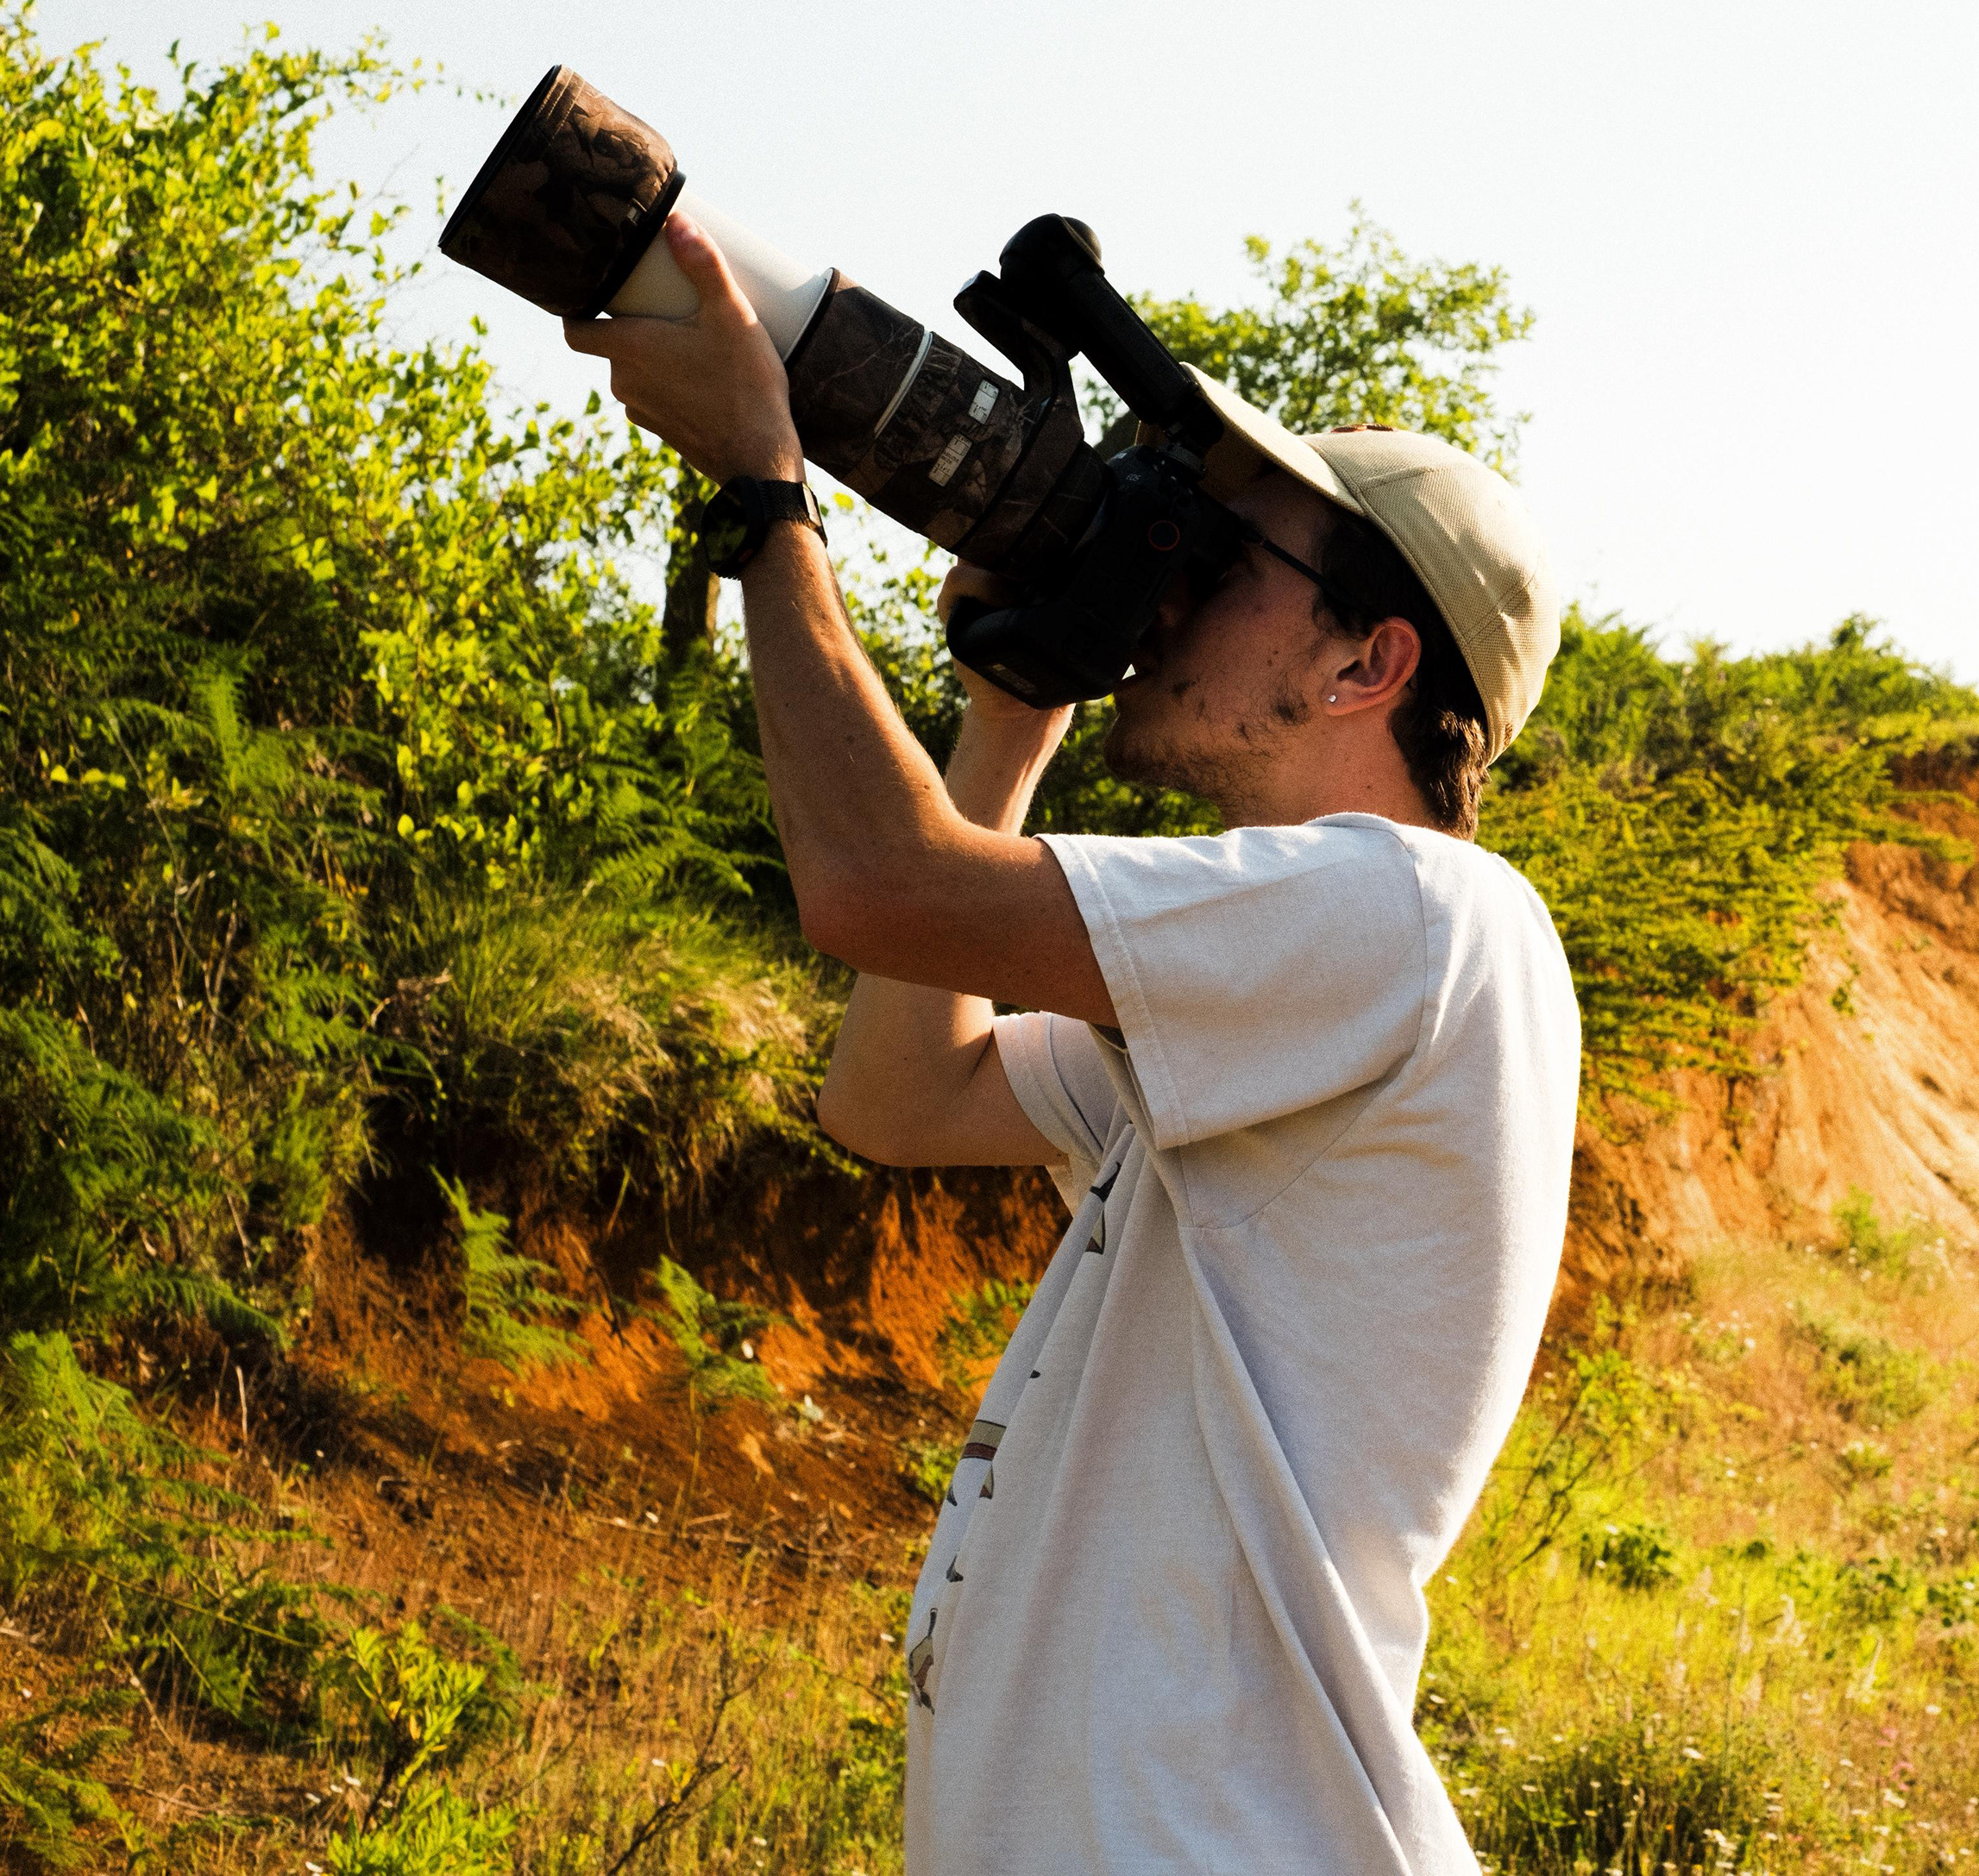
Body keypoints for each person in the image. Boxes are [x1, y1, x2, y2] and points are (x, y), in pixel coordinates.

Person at [567, 215, 1580, 1874]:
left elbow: (879, 887)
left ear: (1367, 662)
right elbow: (898, 1094)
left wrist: (765, 499)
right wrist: (1010, 716)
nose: (1168, 586)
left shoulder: (1414, 916)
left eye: (1227, 559)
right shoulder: (1318, 979)